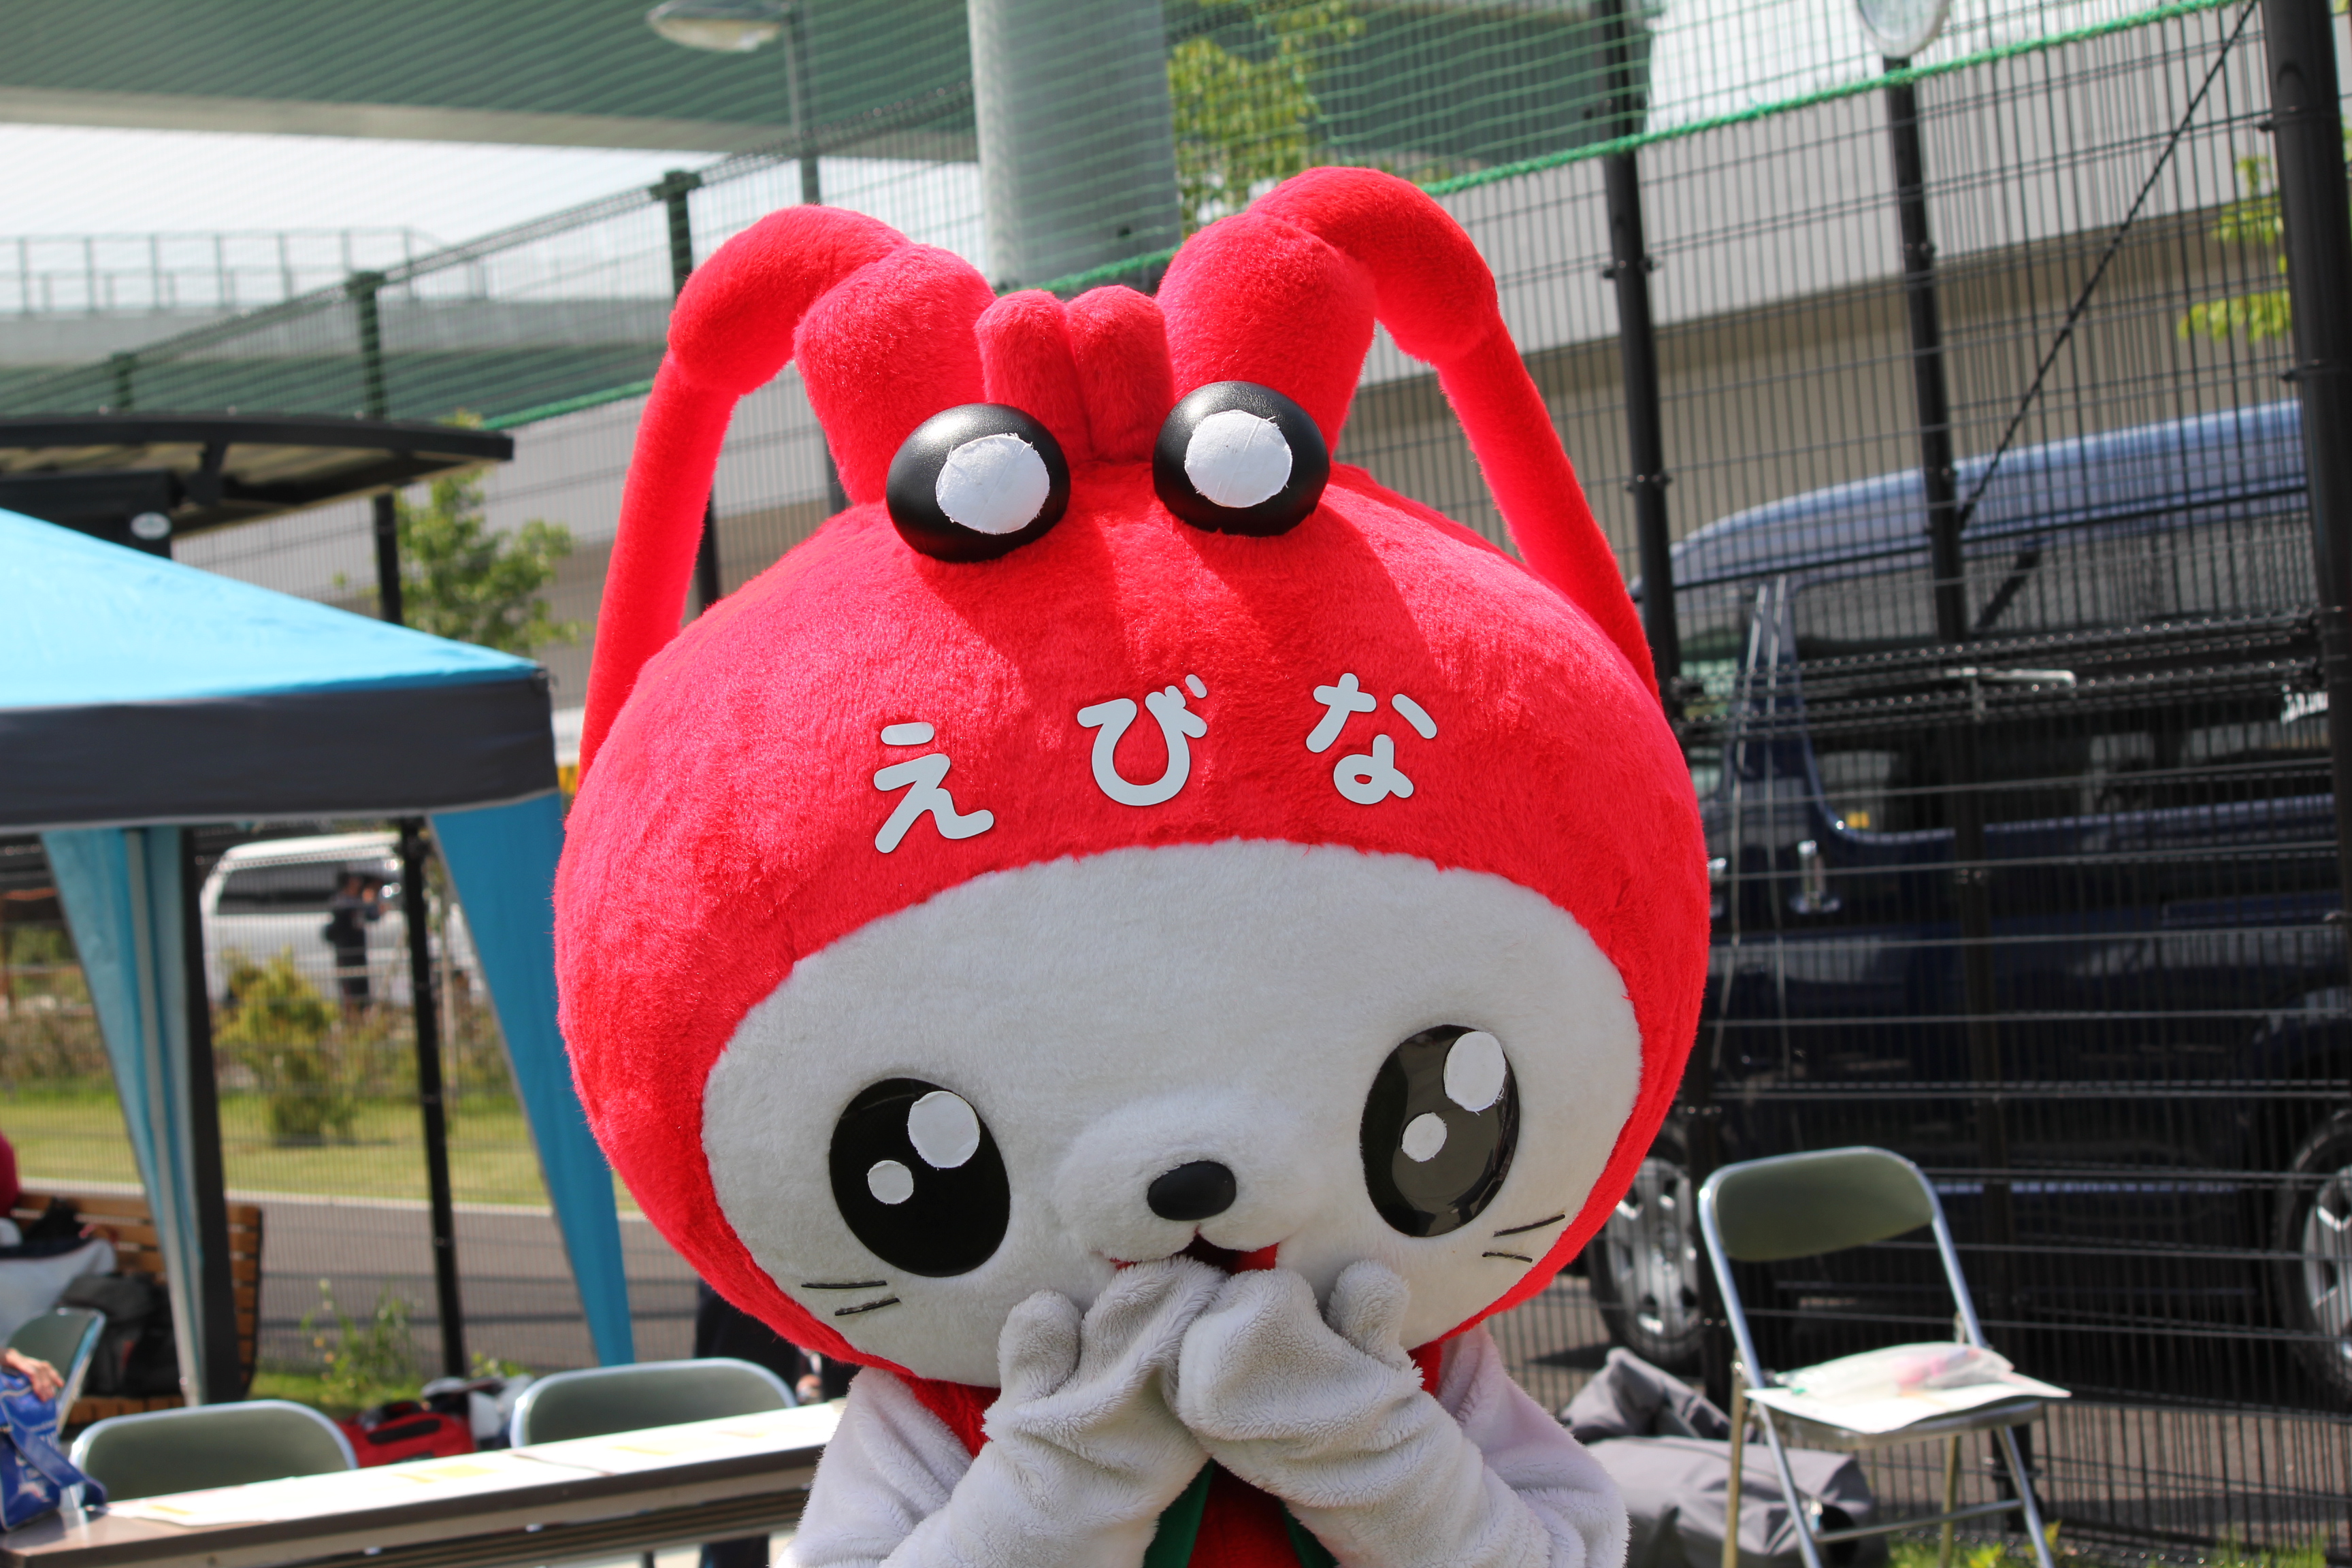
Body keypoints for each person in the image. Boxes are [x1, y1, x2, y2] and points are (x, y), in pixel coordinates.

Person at [322, 870, 382, 1011]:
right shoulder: (342, 903)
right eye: (354, 881)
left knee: (361, 984)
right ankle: (353, 1013)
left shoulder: (357, 901)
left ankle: (362, 1010)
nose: (358, 884)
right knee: (349, 986)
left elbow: (372, 916)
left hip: (359, 951)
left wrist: (372, 903)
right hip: (346, 953)